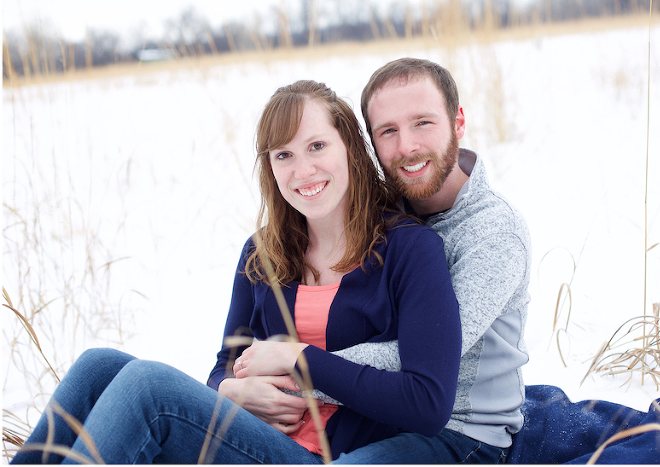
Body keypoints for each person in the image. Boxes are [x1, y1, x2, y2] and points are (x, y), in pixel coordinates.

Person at [11, 80, 462, 464]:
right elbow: (225, 363)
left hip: (321, 455)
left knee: (149, 389)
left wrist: (295, 358)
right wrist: (229, 390)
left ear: (350, 146)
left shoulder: (409, 248)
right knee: (98, 366)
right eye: (283, 155)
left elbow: (427, 403)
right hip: (250, 436)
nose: (302, 170)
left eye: (317, 146)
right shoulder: (263, 253)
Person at [330, 58, 533, 463]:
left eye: (423, 122)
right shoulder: (378, 216)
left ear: (458, 122)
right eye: (388, 131)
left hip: (462, 434)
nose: (406, 146)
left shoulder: (495, 233)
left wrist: (294, 371)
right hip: (373, 412)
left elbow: (424, 355)